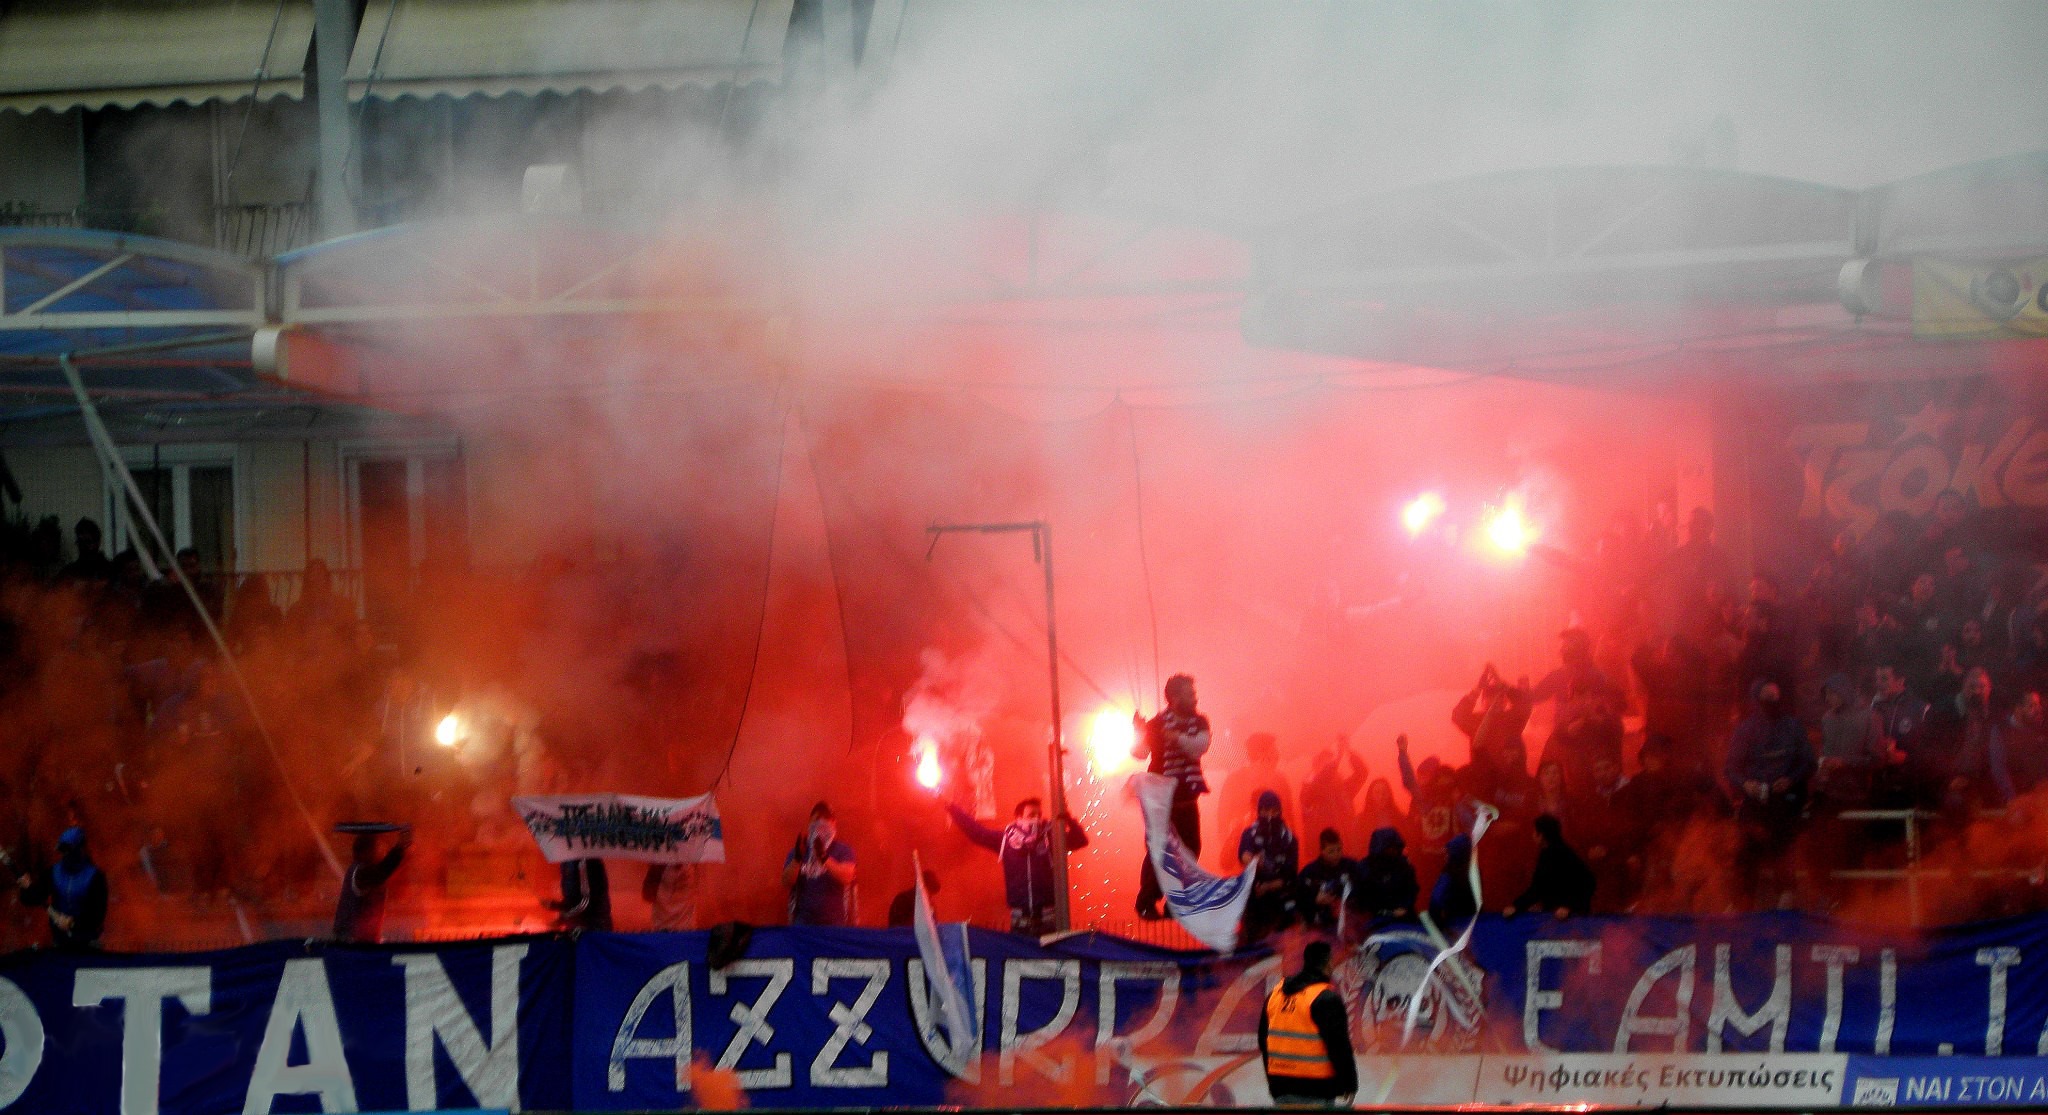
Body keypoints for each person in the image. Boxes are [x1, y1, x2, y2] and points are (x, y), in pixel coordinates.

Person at [946, 796, 1088, 935]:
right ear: (1019, 818)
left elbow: (1081, 840)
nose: (1036, 818)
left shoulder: (1051, 838)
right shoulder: (1006, 840)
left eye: (1039, 814)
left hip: (1049, 919)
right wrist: (951, 808)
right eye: (1031, 815)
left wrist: (1068, 819)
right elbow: (976, 833)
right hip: (1020, 921)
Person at [1133, 674, 1211, 920]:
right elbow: (1139, 752)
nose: (1195, 698)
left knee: (1191, 849)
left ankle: (1175, 902)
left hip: (1186, 799)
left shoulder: (1199, 722)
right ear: (1175, 698)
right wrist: (1138, 732)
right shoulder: (1156, 724)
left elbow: (1199, 746)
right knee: (1159, 850)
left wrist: (1176, 737)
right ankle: (1147, 901)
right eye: (1190, 694)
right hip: (1161, 800)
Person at [1257, 941, 1357, 1107]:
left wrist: (1273, 1081)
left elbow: (1263, 1040)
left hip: (1280, 1087)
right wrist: (1349, 1083)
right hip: (1316, 1088)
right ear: (1329, 963)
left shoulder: (1275, 994)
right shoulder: (1325, 998)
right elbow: (1339, 1045)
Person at [14, 827, 108, 949]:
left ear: (79, 849)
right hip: (60, 942)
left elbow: (97, 915)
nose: (64, 855)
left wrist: (72, 923)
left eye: (68, 850)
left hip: (88, 943)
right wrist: (26, 888)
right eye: (62, 850)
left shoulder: (95, 877)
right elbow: (33, 899)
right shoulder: (53, 872)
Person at [1504, 814, 1595, 919]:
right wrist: (1517, 906)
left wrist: (1568, 906)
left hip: (1572, 919)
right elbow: (1538, 887)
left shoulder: (1561, 854)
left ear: (1541, 835)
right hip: (1557, 915)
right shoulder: (1548, 854)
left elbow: (1587, 882)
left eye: (1534, 832)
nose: (1532, 835)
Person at [1238, 790, 1299, 940]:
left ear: (1280, 811)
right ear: (1259, 811)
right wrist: (1254, 861)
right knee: (1252, 937)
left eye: (1274, 810)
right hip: (1256, 895)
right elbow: (1243, 855)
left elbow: (1290, 875)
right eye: (1265, 810)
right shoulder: (1250, 833)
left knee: (1285, 939)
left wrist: (1269, 886)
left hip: (1280, 895)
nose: (1270, 815)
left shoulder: (1289, 838)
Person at [333, 827, 412, 943]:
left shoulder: (360, 870)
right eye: (380, 847)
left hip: (361, 941)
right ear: (367, 851)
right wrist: (400, 847)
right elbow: (381, 873)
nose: (384, 850)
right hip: (353, 944)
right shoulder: (361, 871)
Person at [784, 801, 856, 926]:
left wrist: (824, 857)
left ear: (834, 823)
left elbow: (847, 877)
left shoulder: (843, 850)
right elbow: (786, 881)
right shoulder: (801, 849)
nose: (821, 823)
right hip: (803, 923)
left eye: (826, 819)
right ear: (810, 823)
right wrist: (797, 859)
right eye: (817, 819)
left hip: (835, 924)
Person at [1351, 826, 1419, 925]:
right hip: (1375, 918)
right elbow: (1360, 898)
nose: (1393, 851)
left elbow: (1412, 889)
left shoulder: (1403, 864)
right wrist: (1384, 911)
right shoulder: (1364, 868)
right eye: (1389, 848)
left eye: (1395, 848)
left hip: (1404, 916)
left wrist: (1404, 906)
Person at [1293, 829, 1353, 933]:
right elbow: (1297, 896)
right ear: (1322, 851)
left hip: (1346, 916)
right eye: (1331, 851)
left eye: (1339, 849)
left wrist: (1344, 901)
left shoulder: (1350, 866)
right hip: (1319, 921)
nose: (1336, 854)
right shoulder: (1310, 871)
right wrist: (1315, 900)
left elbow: (1363, 887)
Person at [550, 858, 612, 931]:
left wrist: (563, 915)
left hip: (591, 925)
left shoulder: (584, 863)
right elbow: (572, 897)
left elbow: (587, 900)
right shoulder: (568, 862)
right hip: (581, 924)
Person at [1428, 833, 1477, 926]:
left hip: (1454, 924)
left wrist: (1438, 921)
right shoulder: (1473, 871)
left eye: (1448, 853)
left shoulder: (1449, 874)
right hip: (1472, 923)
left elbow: (1436, 900)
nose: (1445, 856)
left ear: (1454, 854)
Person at [642, 863, 702, 931]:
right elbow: (647, 895)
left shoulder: (691, 868)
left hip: (680, 930)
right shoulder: (659, 867)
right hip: (676, 930)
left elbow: (647, 895)